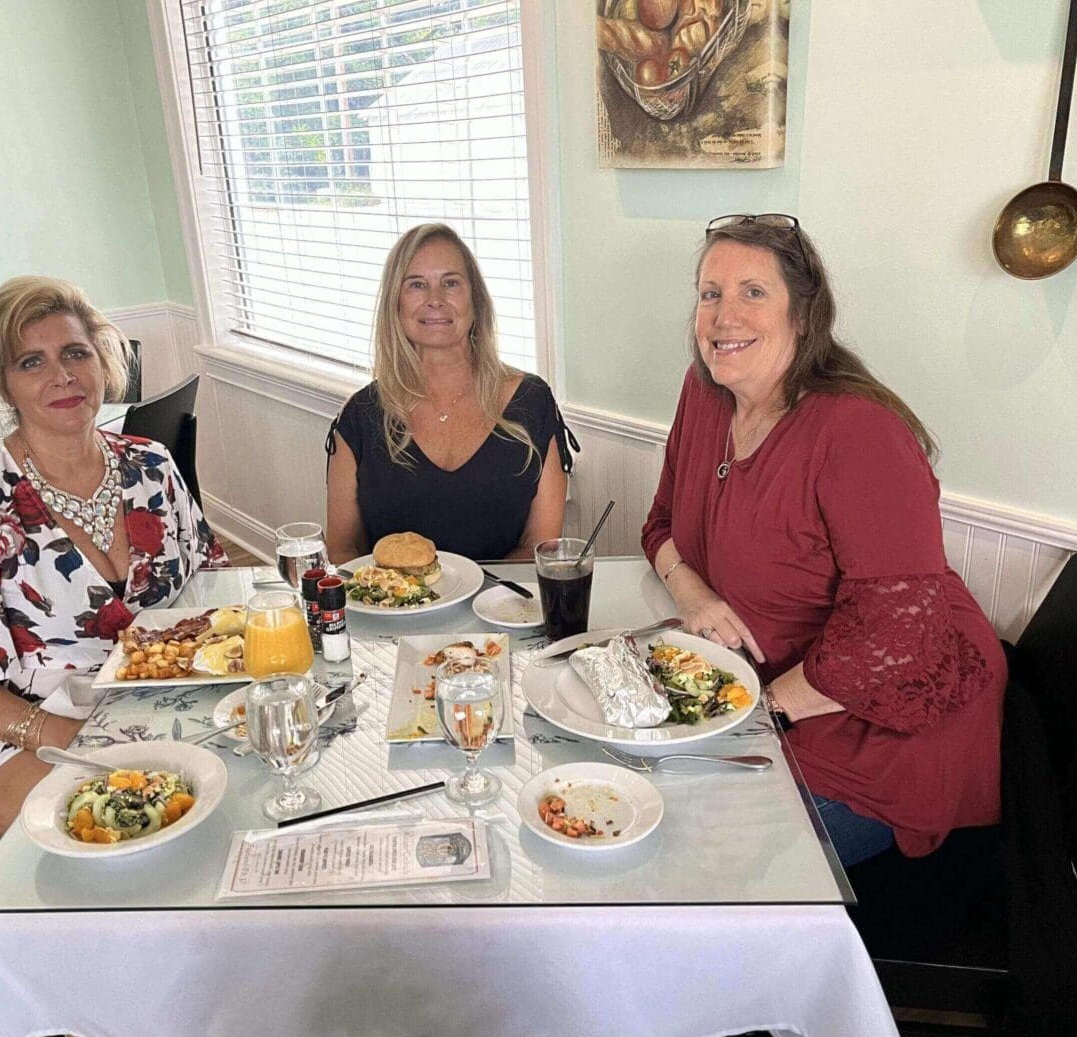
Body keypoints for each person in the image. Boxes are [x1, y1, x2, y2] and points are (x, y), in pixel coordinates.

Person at [642, 214, 1004, 868]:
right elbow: (659, 525)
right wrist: (692, 594)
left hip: (872, 733)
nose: (724, 316)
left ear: (803, 317)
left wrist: (757, 715)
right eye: (709, 293)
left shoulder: (858, 434)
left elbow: (897, 640)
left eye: (753, 292)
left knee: (689, 855)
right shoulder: (703, 392)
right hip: (761, 691)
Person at [0, 276, 227, 838]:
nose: (61, 375)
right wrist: (62, 735)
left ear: (101, 359)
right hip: (19, 731)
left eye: (74, 353)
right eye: (31, 362)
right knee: (132, 825)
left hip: (156, 702)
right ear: (5, 384)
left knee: (236, 793)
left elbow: (209, 585)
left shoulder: (152, 465)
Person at [326, 222, 576, 563]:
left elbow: (542, 546)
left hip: (504, 609)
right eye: (416, 285)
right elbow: (342, 550)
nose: (435, 300)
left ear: (475, 301)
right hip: (393, 614)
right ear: (395, 305)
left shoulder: (531, 402)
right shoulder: (360, 415)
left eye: (451, 283)